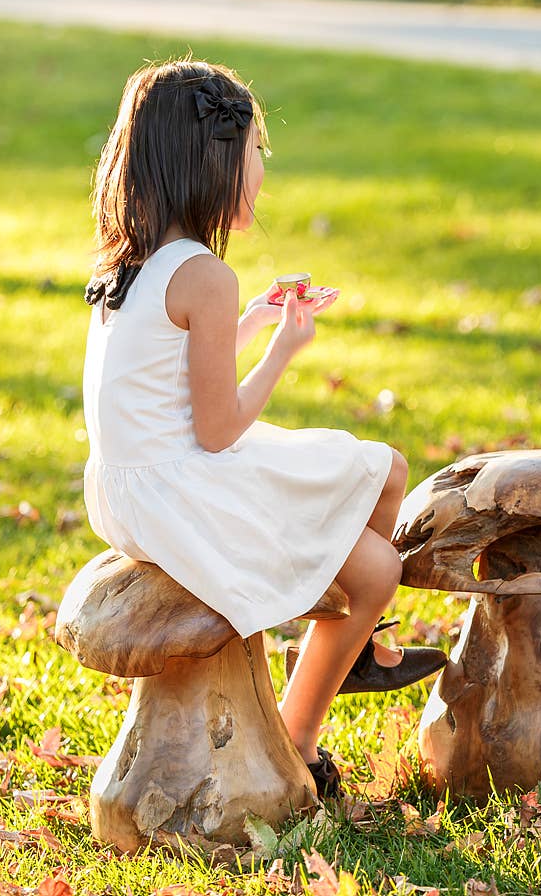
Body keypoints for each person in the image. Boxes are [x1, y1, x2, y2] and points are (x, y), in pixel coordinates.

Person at [81, 59, 444, 799]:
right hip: (182, 490)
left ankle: (364, 644)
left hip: (131, 490)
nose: (262, 175)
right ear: (213, 161)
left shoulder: (134, 263)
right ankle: (303, 736)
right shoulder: (205, 275)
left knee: (384, 471)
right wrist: (283, 348)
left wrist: (248, 324)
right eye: (256, 155)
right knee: (378, 563)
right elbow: (217, 431)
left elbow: (162, 375)